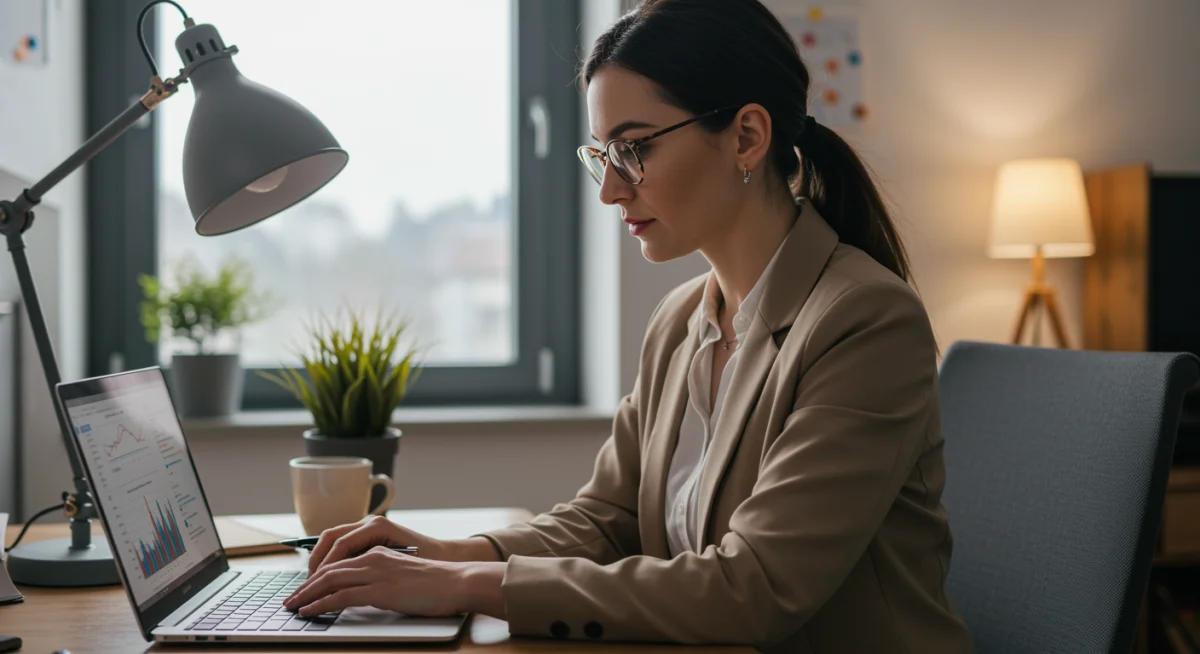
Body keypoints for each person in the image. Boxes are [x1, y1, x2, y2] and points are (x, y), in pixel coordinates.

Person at [283, 0, 976, 651]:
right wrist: (450, 554)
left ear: (747, 136)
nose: (612, 187)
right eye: (603, 155)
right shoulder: (681, 321)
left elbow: (756, 585)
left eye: (634, 148)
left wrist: (466, 586)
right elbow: (607, 521)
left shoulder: (865, 321)